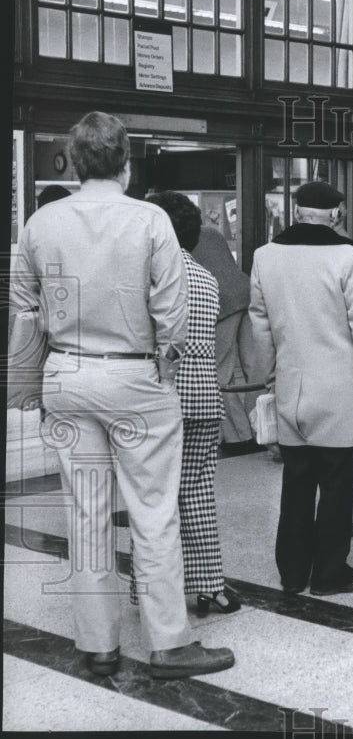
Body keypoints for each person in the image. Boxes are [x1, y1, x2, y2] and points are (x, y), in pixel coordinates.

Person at [9, 111, 233, 679]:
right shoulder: (151, 220)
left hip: (65, 375)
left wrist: (27, 383)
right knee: (153, 513)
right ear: (126, 164)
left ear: (76, 163)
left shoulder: (40, 223)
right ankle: (169, 644)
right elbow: (173, 316)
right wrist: (165, 366)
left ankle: (98, 645)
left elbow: (25, 311)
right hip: (136, 377)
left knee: (84, 514)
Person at [249, 181, 353, 596]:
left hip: (291, 385)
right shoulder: (348, 257)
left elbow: (261, 325)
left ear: (297, 210)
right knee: (337, 484)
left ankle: (292, 572)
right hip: (337, 389)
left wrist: (270, 376)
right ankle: (329, 573)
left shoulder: (264, 256)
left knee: (296, 481)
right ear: (337, 212)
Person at [130, 192, 241, 615]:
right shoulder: (206, 277)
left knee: (152, 497)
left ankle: (150, 589)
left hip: (160, 395)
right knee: (196, 492)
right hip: (203, 398)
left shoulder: (149, 274)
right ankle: (210, 585)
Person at [190, 225, 257, 449]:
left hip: (221, 301)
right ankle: (263, 429)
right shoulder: (212, 232)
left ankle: (240, 436)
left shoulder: (178, 235)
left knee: (220, 372)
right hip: (245, 292)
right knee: (253, 369)